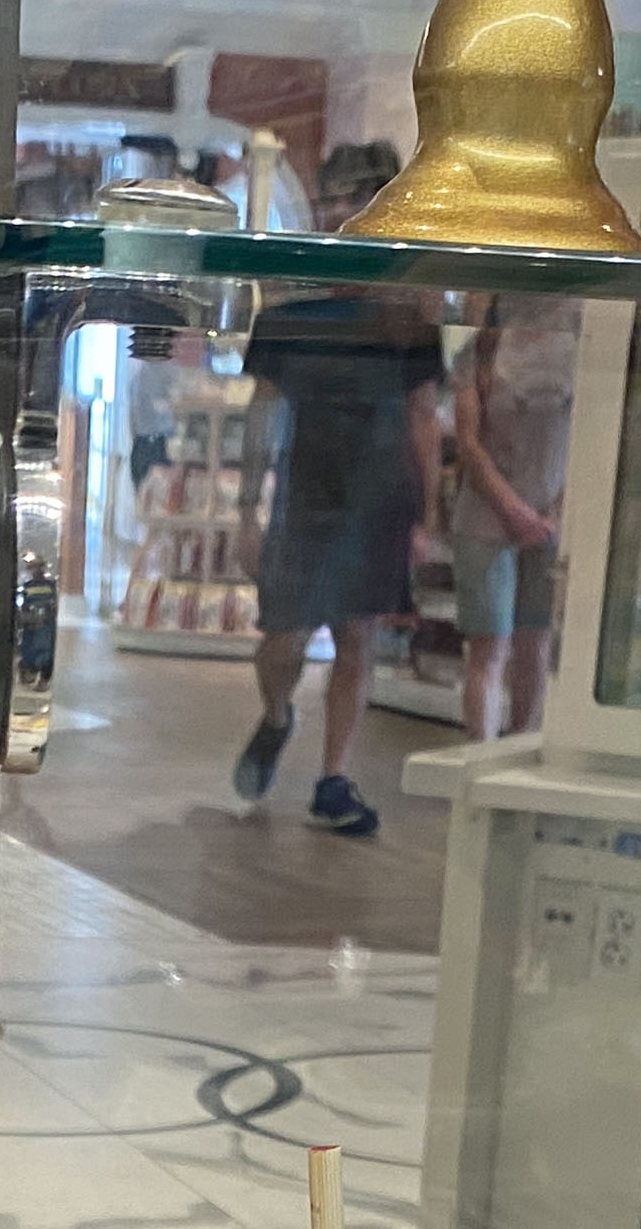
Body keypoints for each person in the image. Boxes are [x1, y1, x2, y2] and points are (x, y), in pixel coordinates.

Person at [231, 207, 442, 836]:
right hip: (304, 500)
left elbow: (424, 417)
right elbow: (262, 411)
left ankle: (333, 779)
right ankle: (277, 717)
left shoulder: (407, 323)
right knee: (284, 639)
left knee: (358, 638)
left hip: (379, 500)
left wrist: (427, 515)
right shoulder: (288, 319)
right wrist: (247, 508)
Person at [449, 292, 581, 740]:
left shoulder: (582, 345)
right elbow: (469, 442)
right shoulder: (479, 350)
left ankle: (520, 744)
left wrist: (556, 511)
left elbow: (591, 434)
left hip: (550, 516)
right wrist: (514, 509)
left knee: (535, 642)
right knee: (489, 648)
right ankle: (480, 756)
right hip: (487, 516)